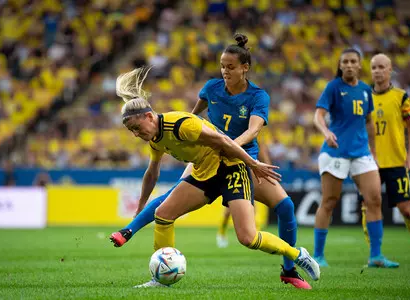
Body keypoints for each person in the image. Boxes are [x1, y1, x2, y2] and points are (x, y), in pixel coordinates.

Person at [111, 34, 312, 289]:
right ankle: (137, 242)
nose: (225, 72)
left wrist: (233, 150)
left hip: (243, 159)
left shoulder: (258, 97)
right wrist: (181, 140)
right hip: (209, 155)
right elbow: (192, 117)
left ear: (244, 68)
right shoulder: (211, 88)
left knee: (284, 208)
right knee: (170, 203)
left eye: (230, 67)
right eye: (222, 66)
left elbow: (252, 132)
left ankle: (290, 269)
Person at [312, 48, 398, 268]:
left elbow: (369, 122)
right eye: (345, 62)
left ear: (359, 65)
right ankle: (318, 256)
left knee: (375, 199)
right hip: (335, 151)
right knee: (329, 202)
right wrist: (326, 132)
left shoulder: (365, 90)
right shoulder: (333, 87)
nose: (349, 65)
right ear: (340, 66)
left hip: (362, 153)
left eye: (353, 61)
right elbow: (318, 115)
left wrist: (375, 152)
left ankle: (376, 256)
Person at [360, 53, 410, 268]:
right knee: (368, 207)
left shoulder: (401, 96)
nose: (377, 70)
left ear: (390, 69)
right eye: (374, 67)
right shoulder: (364, 96)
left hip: (395, 161)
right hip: (369, 164)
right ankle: (374, 254)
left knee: (406, 209)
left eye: (381, 67)